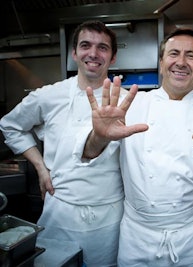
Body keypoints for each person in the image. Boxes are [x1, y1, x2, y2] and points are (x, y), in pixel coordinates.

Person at [75, 28, 193, 266]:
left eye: (191, 56)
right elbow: (87, 155)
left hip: (190, 238)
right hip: (137, 236)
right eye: (174, 53)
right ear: (162, 62)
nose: (181, 62)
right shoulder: (130, 105)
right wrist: (100, 137)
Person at [0, 20, 123, 266]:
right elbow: (10, 125)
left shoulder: (129, 99)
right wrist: (40, 167)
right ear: (74, 53)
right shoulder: (48, 95)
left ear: (113, 57)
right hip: (60, 211)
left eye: (102, 48)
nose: (93, 53)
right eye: (85, 45)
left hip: (109, 217)